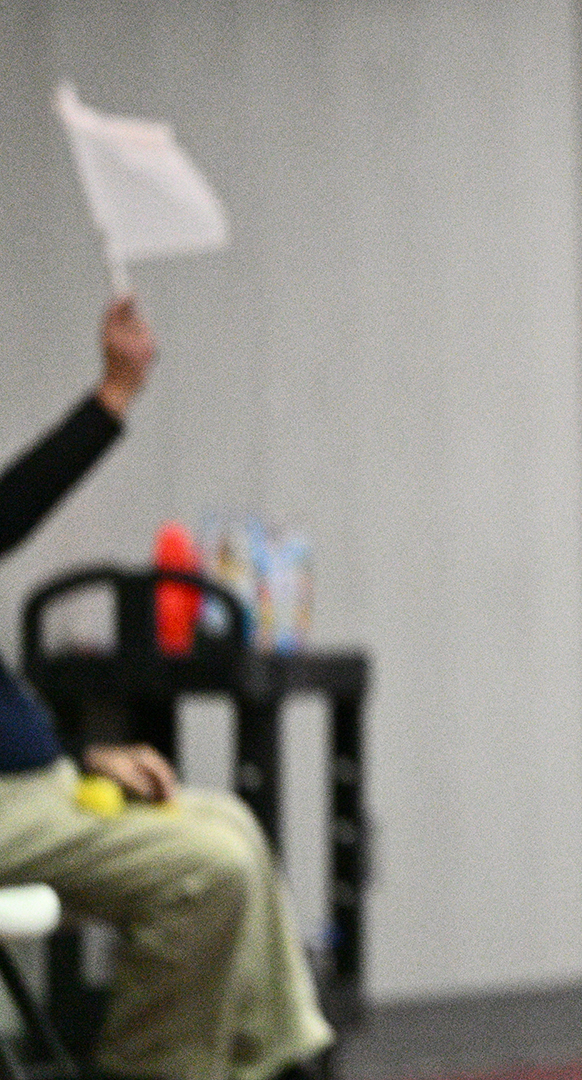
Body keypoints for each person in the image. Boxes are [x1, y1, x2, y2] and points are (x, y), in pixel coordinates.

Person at [0, 296, 333, 1080]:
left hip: (33, 787)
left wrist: (80, 758)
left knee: (233, 829)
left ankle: (276, 1062)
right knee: (205, 869)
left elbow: (7, 507)